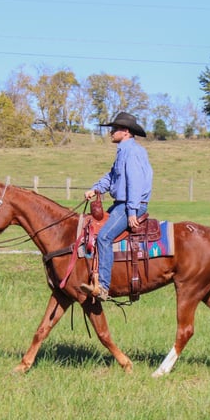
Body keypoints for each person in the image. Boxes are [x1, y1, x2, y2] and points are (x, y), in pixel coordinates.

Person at [81, 112, 153, 301]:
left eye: (115, 129)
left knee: (104, 236)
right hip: (122, 203)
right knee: (93, 227)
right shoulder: (123, 151)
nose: (111, 132)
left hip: (131, 205)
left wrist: (132, 211)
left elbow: (135, 183)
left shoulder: (133, 152)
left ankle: (104, 286)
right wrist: (95, 189)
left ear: (126, 131)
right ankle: (92, 275)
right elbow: (112, 176)